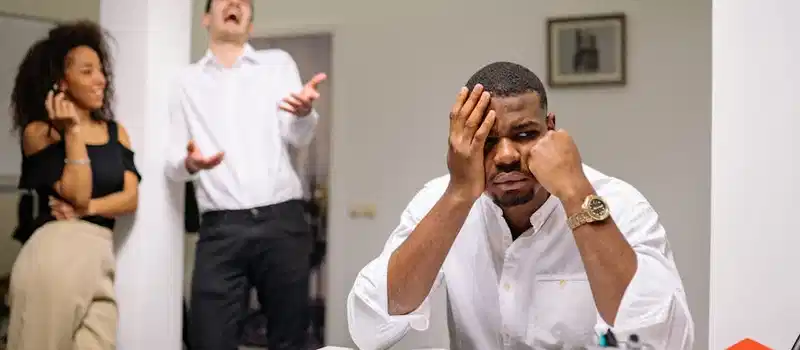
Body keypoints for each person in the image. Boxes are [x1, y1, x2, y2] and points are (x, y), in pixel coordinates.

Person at [347, 62, 694, 350]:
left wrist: (575, 194)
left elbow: (661, 340)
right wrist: (458, 194)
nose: (507, 156)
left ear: (551, 130)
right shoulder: (443, 199)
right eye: (487, 141)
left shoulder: (619, 203)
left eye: (525, 135)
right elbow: (370, 324)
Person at [165, 0, 326, 349]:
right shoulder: (185, 81)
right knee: (208, 340)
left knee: (291, 339)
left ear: (250, 24)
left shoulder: (277, 64)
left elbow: (298, 137)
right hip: (221, 230)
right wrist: (190, 162)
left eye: (244, 2)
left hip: (282, 221)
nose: (235, 3)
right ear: (207, 17)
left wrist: (303, 114)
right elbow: (173, 162)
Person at [6, 20, 141, 350]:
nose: (101, 79)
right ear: (61, 83)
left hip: (100, 252)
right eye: (87, 71)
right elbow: (78, 190)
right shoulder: (41, 133)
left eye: (100, 70)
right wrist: (73, 131)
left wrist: (89, 208)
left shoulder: (115, 132)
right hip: (56, 252)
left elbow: (130, 198)